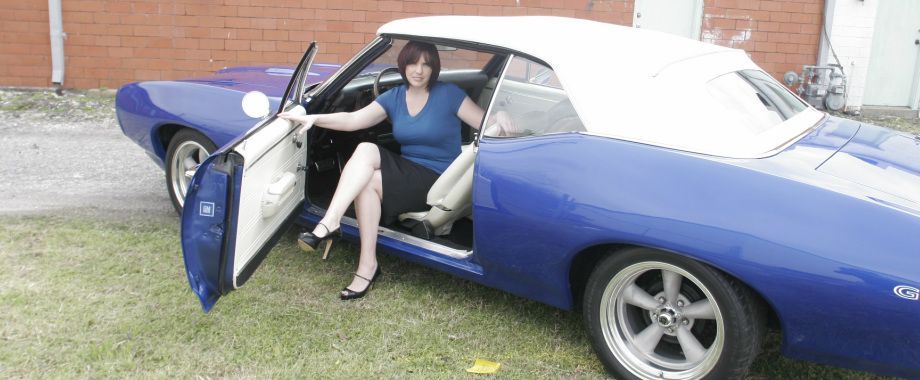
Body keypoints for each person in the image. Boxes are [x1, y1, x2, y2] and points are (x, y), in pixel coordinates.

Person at [278, 41, 514, 300]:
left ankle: (331, 224)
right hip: (410, 170)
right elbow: (353, 120)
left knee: (367, 154)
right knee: (366, 174)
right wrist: (314, 119)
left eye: (426, 64)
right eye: (413, 63)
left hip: (439, 179)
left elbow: (485, 121)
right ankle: (366, 262)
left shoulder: (449, 94)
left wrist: (500, 116)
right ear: (403, 65)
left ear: (434, 67)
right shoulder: (393, 97)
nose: (419, 70)